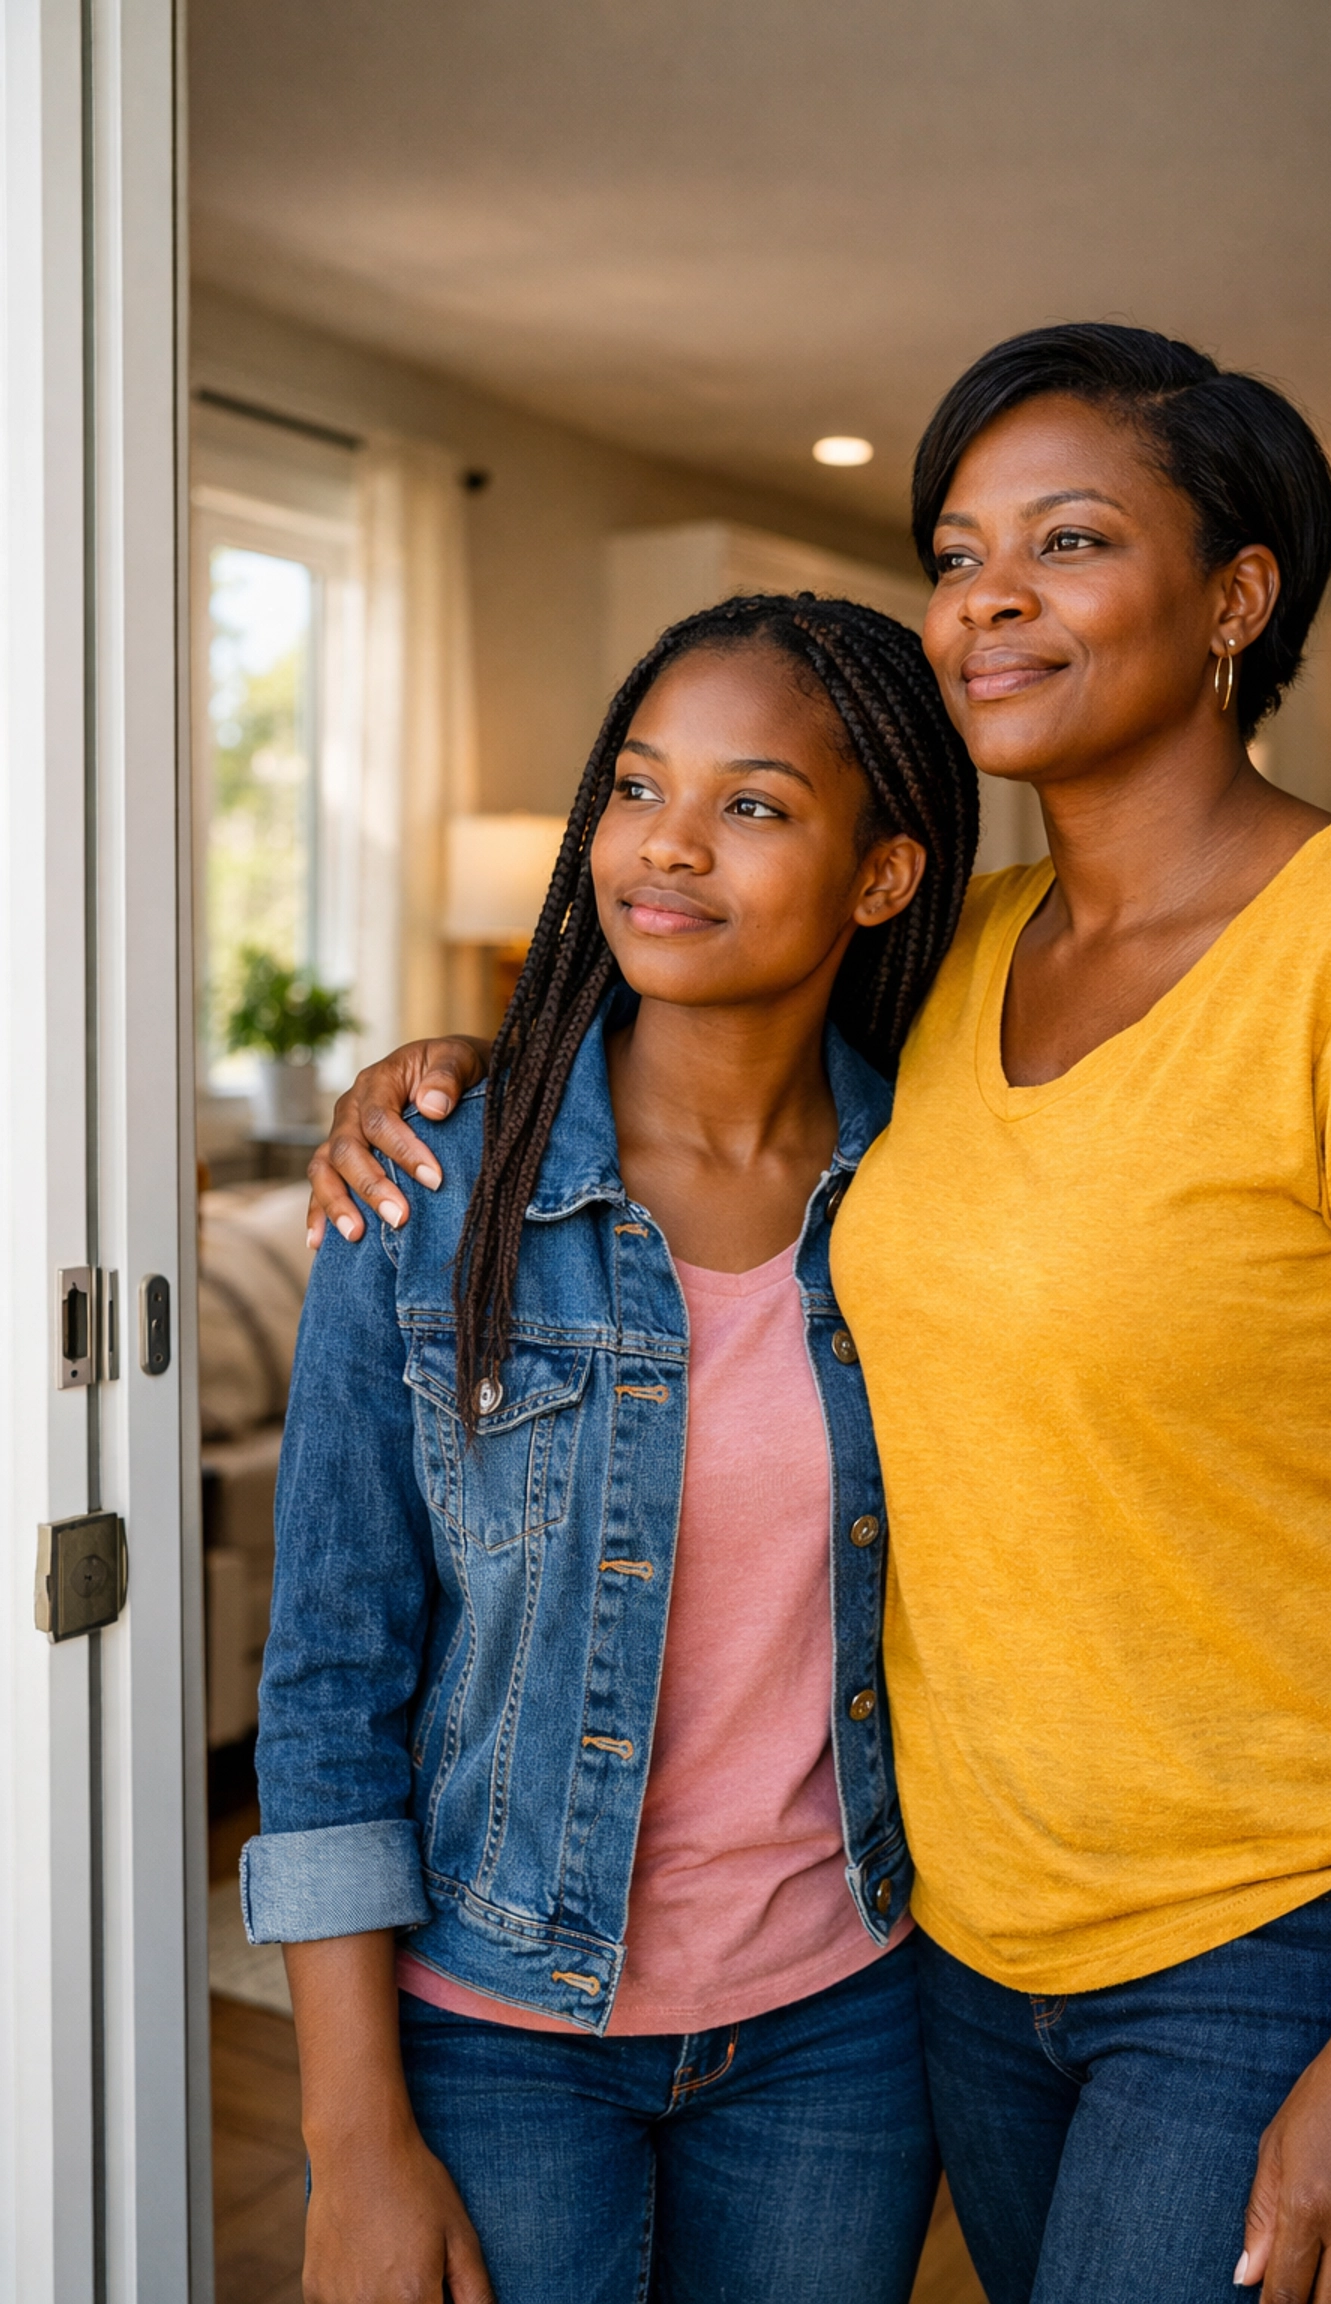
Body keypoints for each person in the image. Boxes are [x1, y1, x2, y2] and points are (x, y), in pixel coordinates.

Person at [308, 326, 1331, 2304]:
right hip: (968, 1948)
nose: (992, 603)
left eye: (1068, 541)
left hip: (1291, 1928)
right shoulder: (957, 968)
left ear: (1236, 599)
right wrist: (459, 1069)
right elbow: (703, 1061)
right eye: (961, 553)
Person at [244, 592, 977, 2304]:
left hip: (840, 2031)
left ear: (882, 875)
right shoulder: (432, 1191)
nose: (669, 849)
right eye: (641, 788)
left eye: (755, 805)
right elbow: (332, 1678)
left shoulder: (942, 1193)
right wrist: (354, 2141)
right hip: (497, 2039)